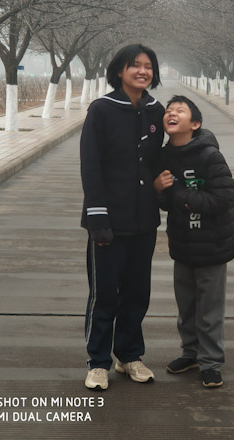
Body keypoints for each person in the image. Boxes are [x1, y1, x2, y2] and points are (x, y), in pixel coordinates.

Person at [80, 44, 165, 391]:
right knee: (105, 295)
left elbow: (164, 157)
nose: (142, 72)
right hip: (108, 221)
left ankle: (128, 355)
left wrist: (164, 186)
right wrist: (97, 217)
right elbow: (91, 166)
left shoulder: (156, 111)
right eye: (135, 66)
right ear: (120, 70)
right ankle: (97, 362)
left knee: (137, 293)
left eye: (148, 67)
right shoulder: (101, 109)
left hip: (144, 221)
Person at [154, 95, 234, 388]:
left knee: (209, 310)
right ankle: (190, 353)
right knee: (186, 306)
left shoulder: (209, 156)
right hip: (183, 244)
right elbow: (165, 202)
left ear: (196, 123)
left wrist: (177, 194)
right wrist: (158, 190)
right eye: (169, 110)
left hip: (213, 246)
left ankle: (211, 362)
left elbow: (222, 198)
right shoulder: (164, 157)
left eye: (180, 110)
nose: (172, 113)